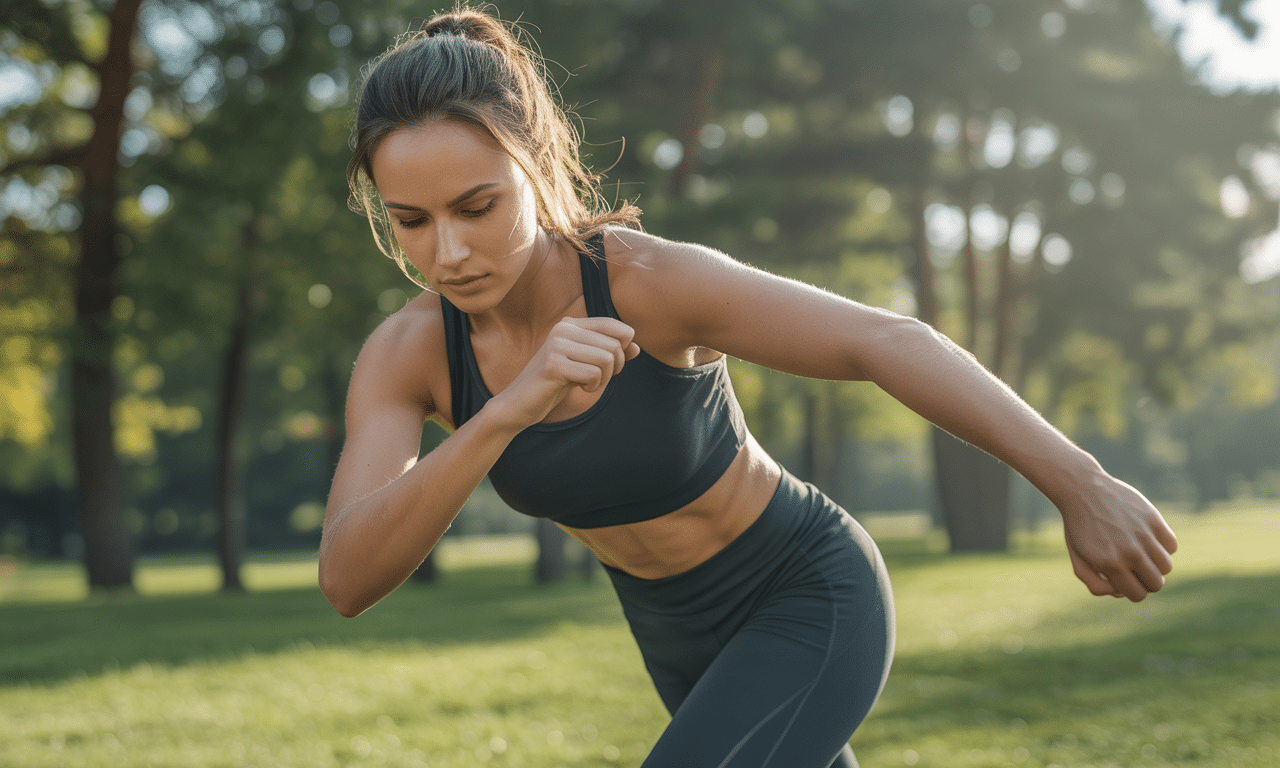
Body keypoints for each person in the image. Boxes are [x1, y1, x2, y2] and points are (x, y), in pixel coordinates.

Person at [318, 6, 1179, 767]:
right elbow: (349, 578)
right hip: (672, 637)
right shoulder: (409, 354)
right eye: (412, 222)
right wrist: (505, 413)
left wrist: (1081, 483)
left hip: (802, 590)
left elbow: (883, 340)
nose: (449, 253)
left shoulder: (652, 284)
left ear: (537, 165)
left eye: (477, 207)